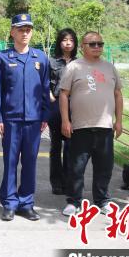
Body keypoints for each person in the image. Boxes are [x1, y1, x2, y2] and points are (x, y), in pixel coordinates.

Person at [0, 13, 50, 221]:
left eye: (28, 30)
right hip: (11, 119)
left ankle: (26, 203)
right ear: (12, 32)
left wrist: (45, 115)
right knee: (10, 162)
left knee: (30, 162)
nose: (25, 33)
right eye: (21, 29)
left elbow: (45, 89)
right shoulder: (2, 57)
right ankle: (9, 203)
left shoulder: (40, 58)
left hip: (34, 120)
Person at [59, 31, 123, 216]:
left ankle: (103, 200)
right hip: (80, 127)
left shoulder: (109, 67)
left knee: (104, 167)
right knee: (76, 167)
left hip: (105, 126)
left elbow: (118, 94)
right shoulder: (74, 67)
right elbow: (63, 94)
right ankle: (74, 202)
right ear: (82, 47)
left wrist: (119, 121)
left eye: (100, 44)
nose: (97, 47)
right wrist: (65, 120)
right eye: (92, 44)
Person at [48, 28, 78, 195]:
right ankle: (56, 183)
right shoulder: (52, 62)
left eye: (71, 40)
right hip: (56, 106)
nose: (68, 43)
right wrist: (51, 96)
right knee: (55, 146)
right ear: (59, 42)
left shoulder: (80, 63)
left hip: (75, 107)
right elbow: (44, 82)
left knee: (70, 147)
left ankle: (68, 181)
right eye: (65, 40)